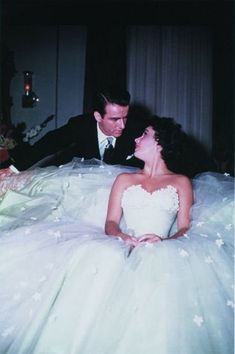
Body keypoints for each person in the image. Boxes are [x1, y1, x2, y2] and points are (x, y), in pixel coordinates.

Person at [0, 117, 233, 354]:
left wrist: (164, 241)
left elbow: (184, 227)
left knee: (161, 269)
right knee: (98, 256)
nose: (136, 138)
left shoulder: (181, 182)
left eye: (144, 134)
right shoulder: (124, 179)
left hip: (162, 246)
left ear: (159, 143)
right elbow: (110, 222)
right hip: (123, 241)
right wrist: (122, 236)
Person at [5, 86, 146, 170]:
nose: (122, 125)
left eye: (125, 117)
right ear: (98, 116)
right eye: (114, 119)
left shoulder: (137, 130)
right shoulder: (80, 125)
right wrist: (14, 169)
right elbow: (48, 144)